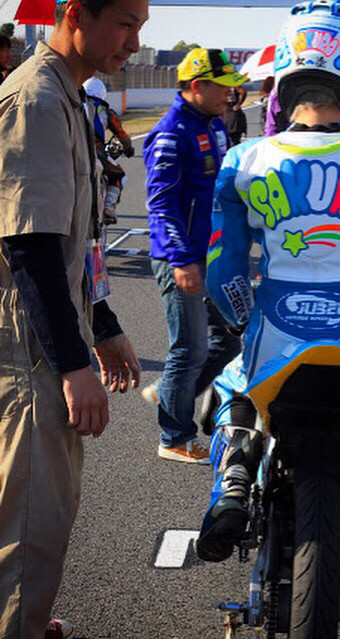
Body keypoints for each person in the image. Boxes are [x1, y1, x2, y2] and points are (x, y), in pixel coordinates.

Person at [196, 0, 340, 571]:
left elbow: (223, 267)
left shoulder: (244, 159)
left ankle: (232, 483)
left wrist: (241, 315)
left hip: (275, 328)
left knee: (232, 388)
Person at [0, 0, 146, 636]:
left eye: (141, 28)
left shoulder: (68, 94)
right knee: (32, 522)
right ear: (77, 15)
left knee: (28, 511)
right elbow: (29, 247)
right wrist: (73, 365)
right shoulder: (36, 100)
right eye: (126, 24)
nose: (134, 43)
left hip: (48, 332)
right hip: (31, 347)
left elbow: (74, 239)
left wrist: (103, 322)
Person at [142, 48, 246, 464]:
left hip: (214, 253)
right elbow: (161, 205)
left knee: (228, 339)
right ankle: (175, 436)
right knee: (189, 349)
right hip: (181, 258)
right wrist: (181, 260)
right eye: (224, 87)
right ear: (198, 86)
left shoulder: (214, 123)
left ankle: (172, 391)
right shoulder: (170, 134)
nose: (230, 95)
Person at [83, 76, 134, 224]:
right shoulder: (106, 112)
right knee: (118, 174)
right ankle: (108, 208)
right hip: (96, 154)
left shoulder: (75, 105)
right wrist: (128, 148)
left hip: (72, 153)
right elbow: (122, 136)